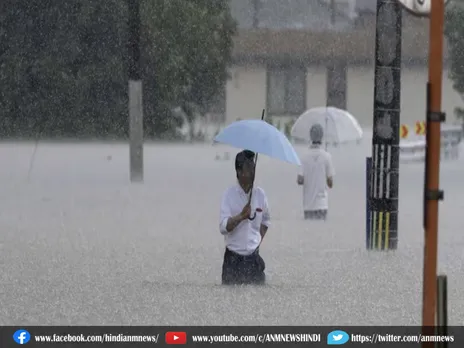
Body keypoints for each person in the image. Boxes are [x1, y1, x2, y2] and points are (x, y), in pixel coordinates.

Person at [219, 150, 270, 285]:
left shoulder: (260, 195)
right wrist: (240, 217)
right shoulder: (229, 195)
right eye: (248, 168)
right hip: (233, 261)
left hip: (253, 259)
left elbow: (266, 221)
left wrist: (257, 241)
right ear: (239, 171)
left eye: (253, 167)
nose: (253, 171)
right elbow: (223, 227)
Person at [297, 124, 335, 221]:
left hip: (308, 205)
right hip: (322, 204)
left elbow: (300, 181)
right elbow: (330, 184)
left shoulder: (304, 157)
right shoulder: (327, 156)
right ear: (322, 137)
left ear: (310, 136)